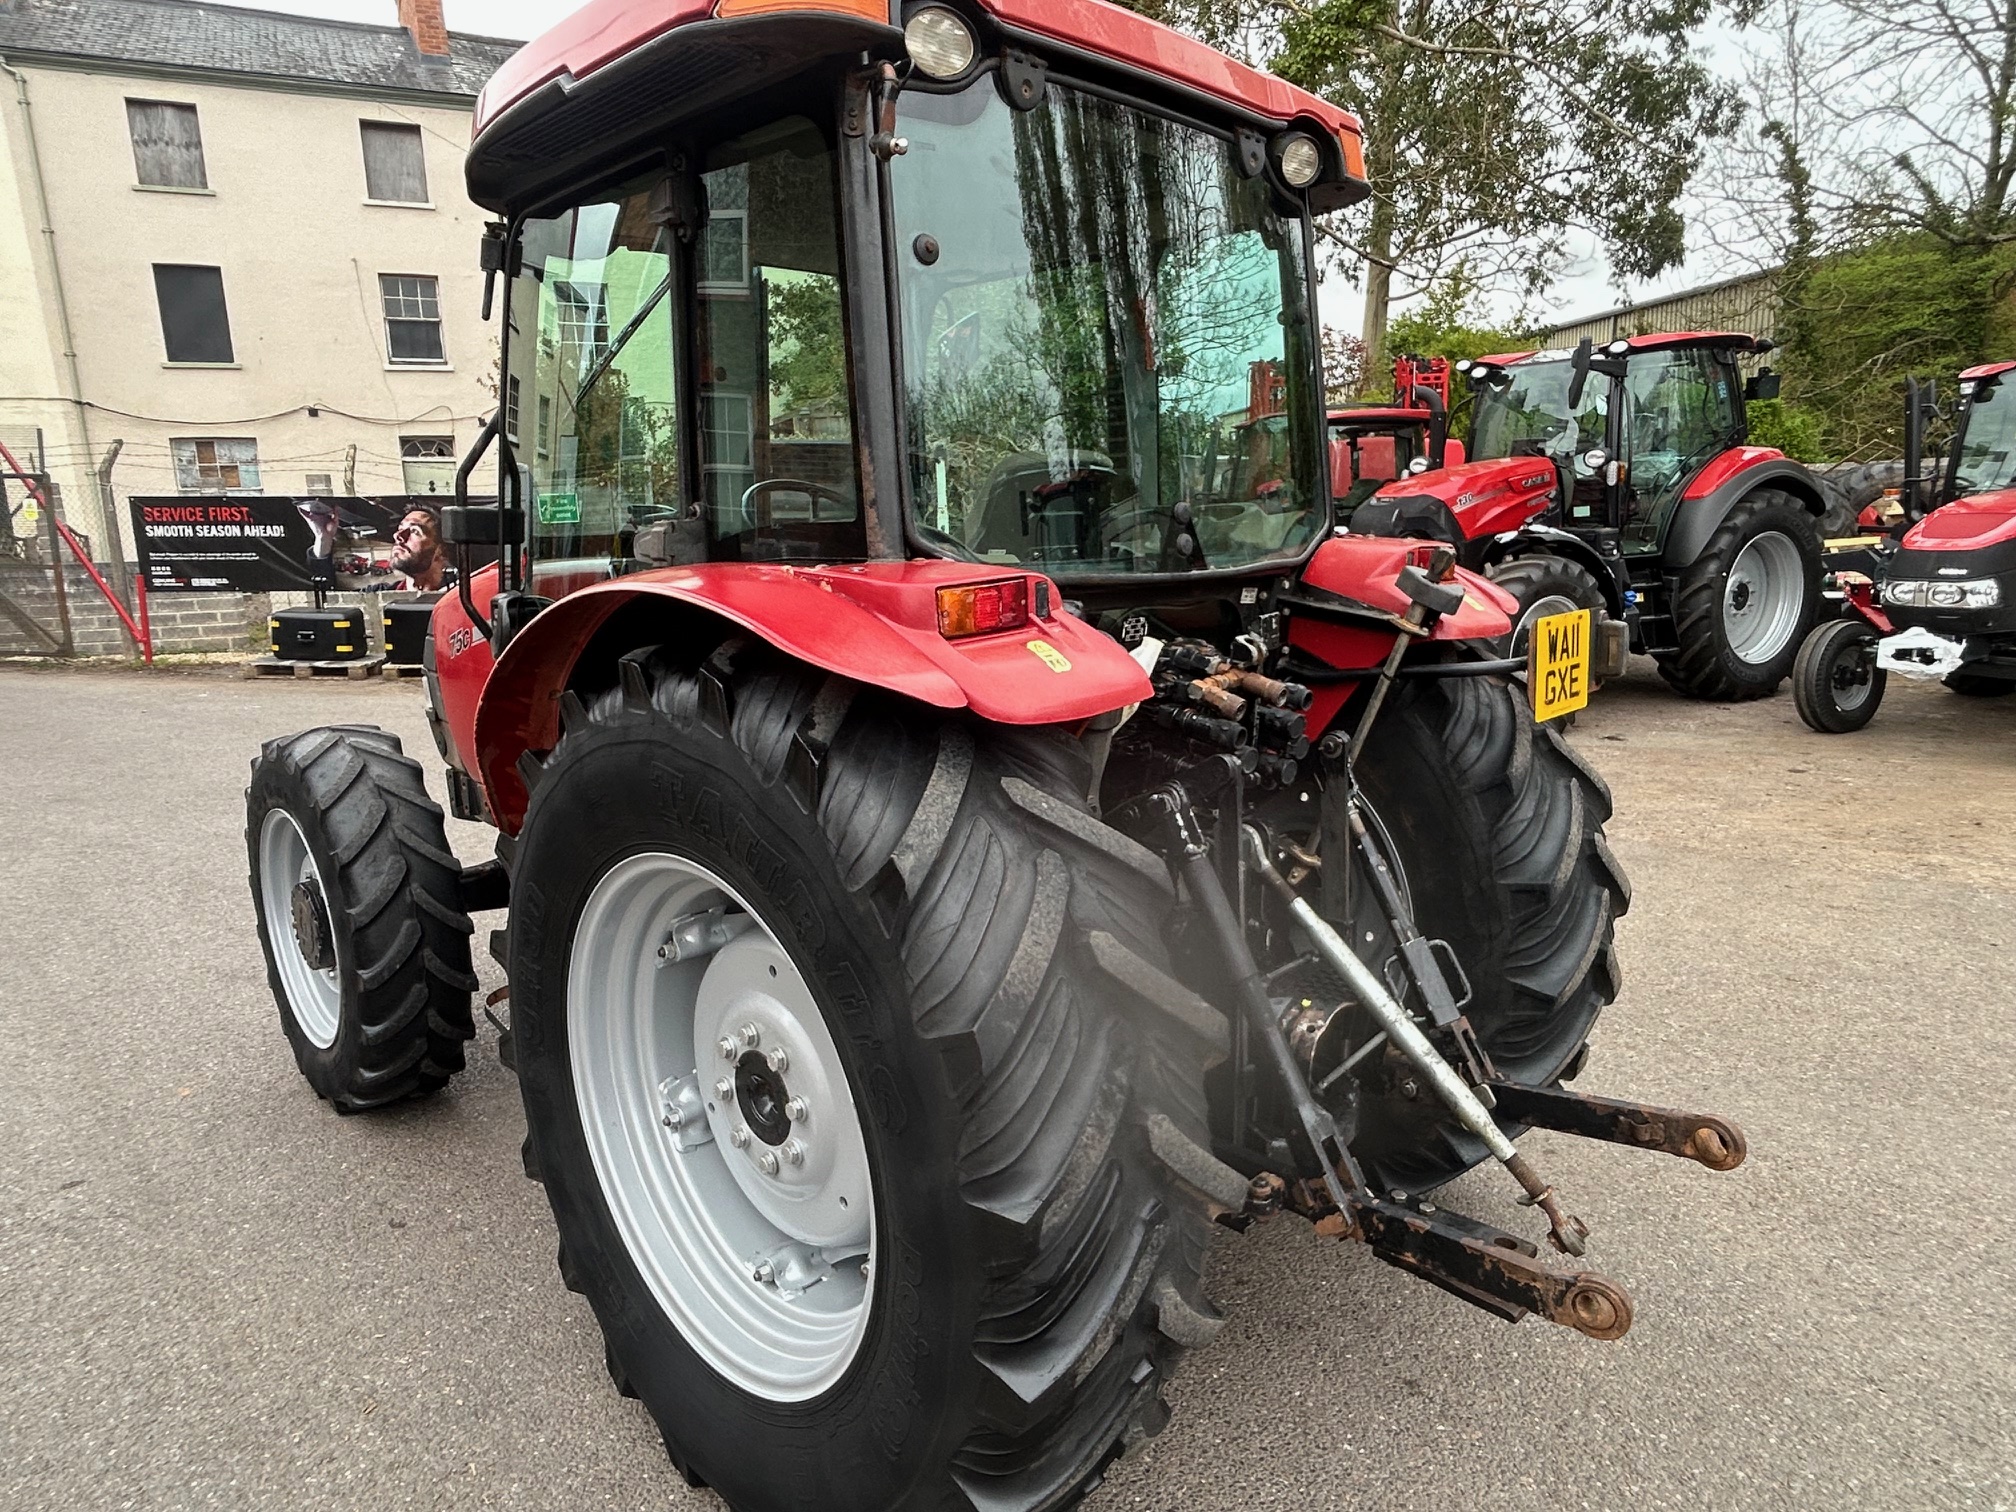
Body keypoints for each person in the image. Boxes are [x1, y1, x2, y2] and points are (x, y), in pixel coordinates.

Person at [390, 504, 454, 592]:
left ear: (440, 550)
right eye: (400, 528)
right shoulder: (377, 594)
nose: (397, 535)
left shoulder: (463, 596)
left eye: (415, 531)